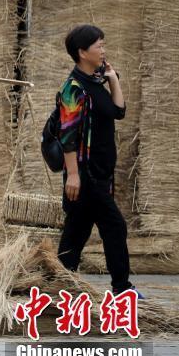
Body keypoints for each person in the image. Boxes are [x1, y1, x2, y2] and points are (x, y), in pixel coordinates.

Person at [56, 24, 140, 297]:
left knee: (76, 232)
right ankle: (121, 289)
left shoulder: (95, 83)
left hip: (101, 172)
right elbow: (67, 135)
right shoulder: (73, 88)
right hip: (85, 173)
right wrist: (74, 175)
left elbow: (118, 111)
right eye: (98, 45)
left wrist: (113, 78)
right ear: (82, 52)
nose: (103, 49)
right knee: (114, 226)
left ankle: (60, 286)